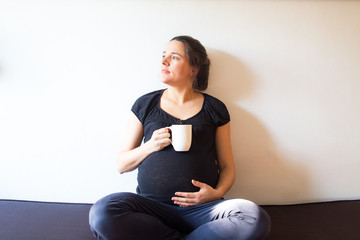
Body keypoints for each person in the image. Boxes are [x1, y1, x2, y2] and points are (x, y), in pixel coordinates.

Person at [89, 35, 271, 240]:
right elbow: (121, 164)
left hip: (204, 210)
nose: (164, 61)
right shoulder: (145, 104)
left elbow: (227, 166)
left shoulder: (215, 109)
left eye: (174, 57)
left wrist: (216, 193)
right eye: (163, 56)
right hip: (151, 210)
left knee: (253, 217)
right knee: (103, 211)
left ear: (194, 68)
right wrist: (150, 146)